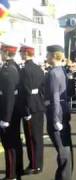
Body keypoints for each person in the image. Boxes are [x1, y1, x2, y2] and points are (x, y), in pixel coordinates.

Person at [44, 45, 73, 180]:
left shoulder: (53, 73)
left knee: (62, 150)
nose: (46, 56)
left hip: (57, 112)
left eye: (48, 54)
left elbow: (55, 96)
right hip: (63, 110)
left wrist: (55, 118)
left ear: (54, 55)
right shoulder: (61, 70)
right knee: (65, 148)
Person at [19, 43, 46, 175]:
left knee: (31, 138)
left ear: (25, 54)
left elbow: (26, 91)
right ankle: (39, 164)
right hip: (39, 105)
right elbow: (42, 89)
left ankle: (34, 165)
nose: (20, 54)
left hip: (31, 107)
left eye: (21, 53)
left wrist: (27, 110)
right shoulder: (39, 69)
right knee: (38, 137)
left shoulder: (24, 70)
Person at [0, 41, 23, 180]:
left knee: (9, 144)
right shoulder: (13, 67)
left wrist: (6, 118)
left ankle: (11, 175)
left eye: (2, 51)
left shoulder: (8, 70)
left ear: (6, 53)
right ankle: (16, 171)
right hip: (13, 112)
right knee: (15, 143)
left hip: (8, 113)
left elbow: (8, 94)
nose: (0, 54)